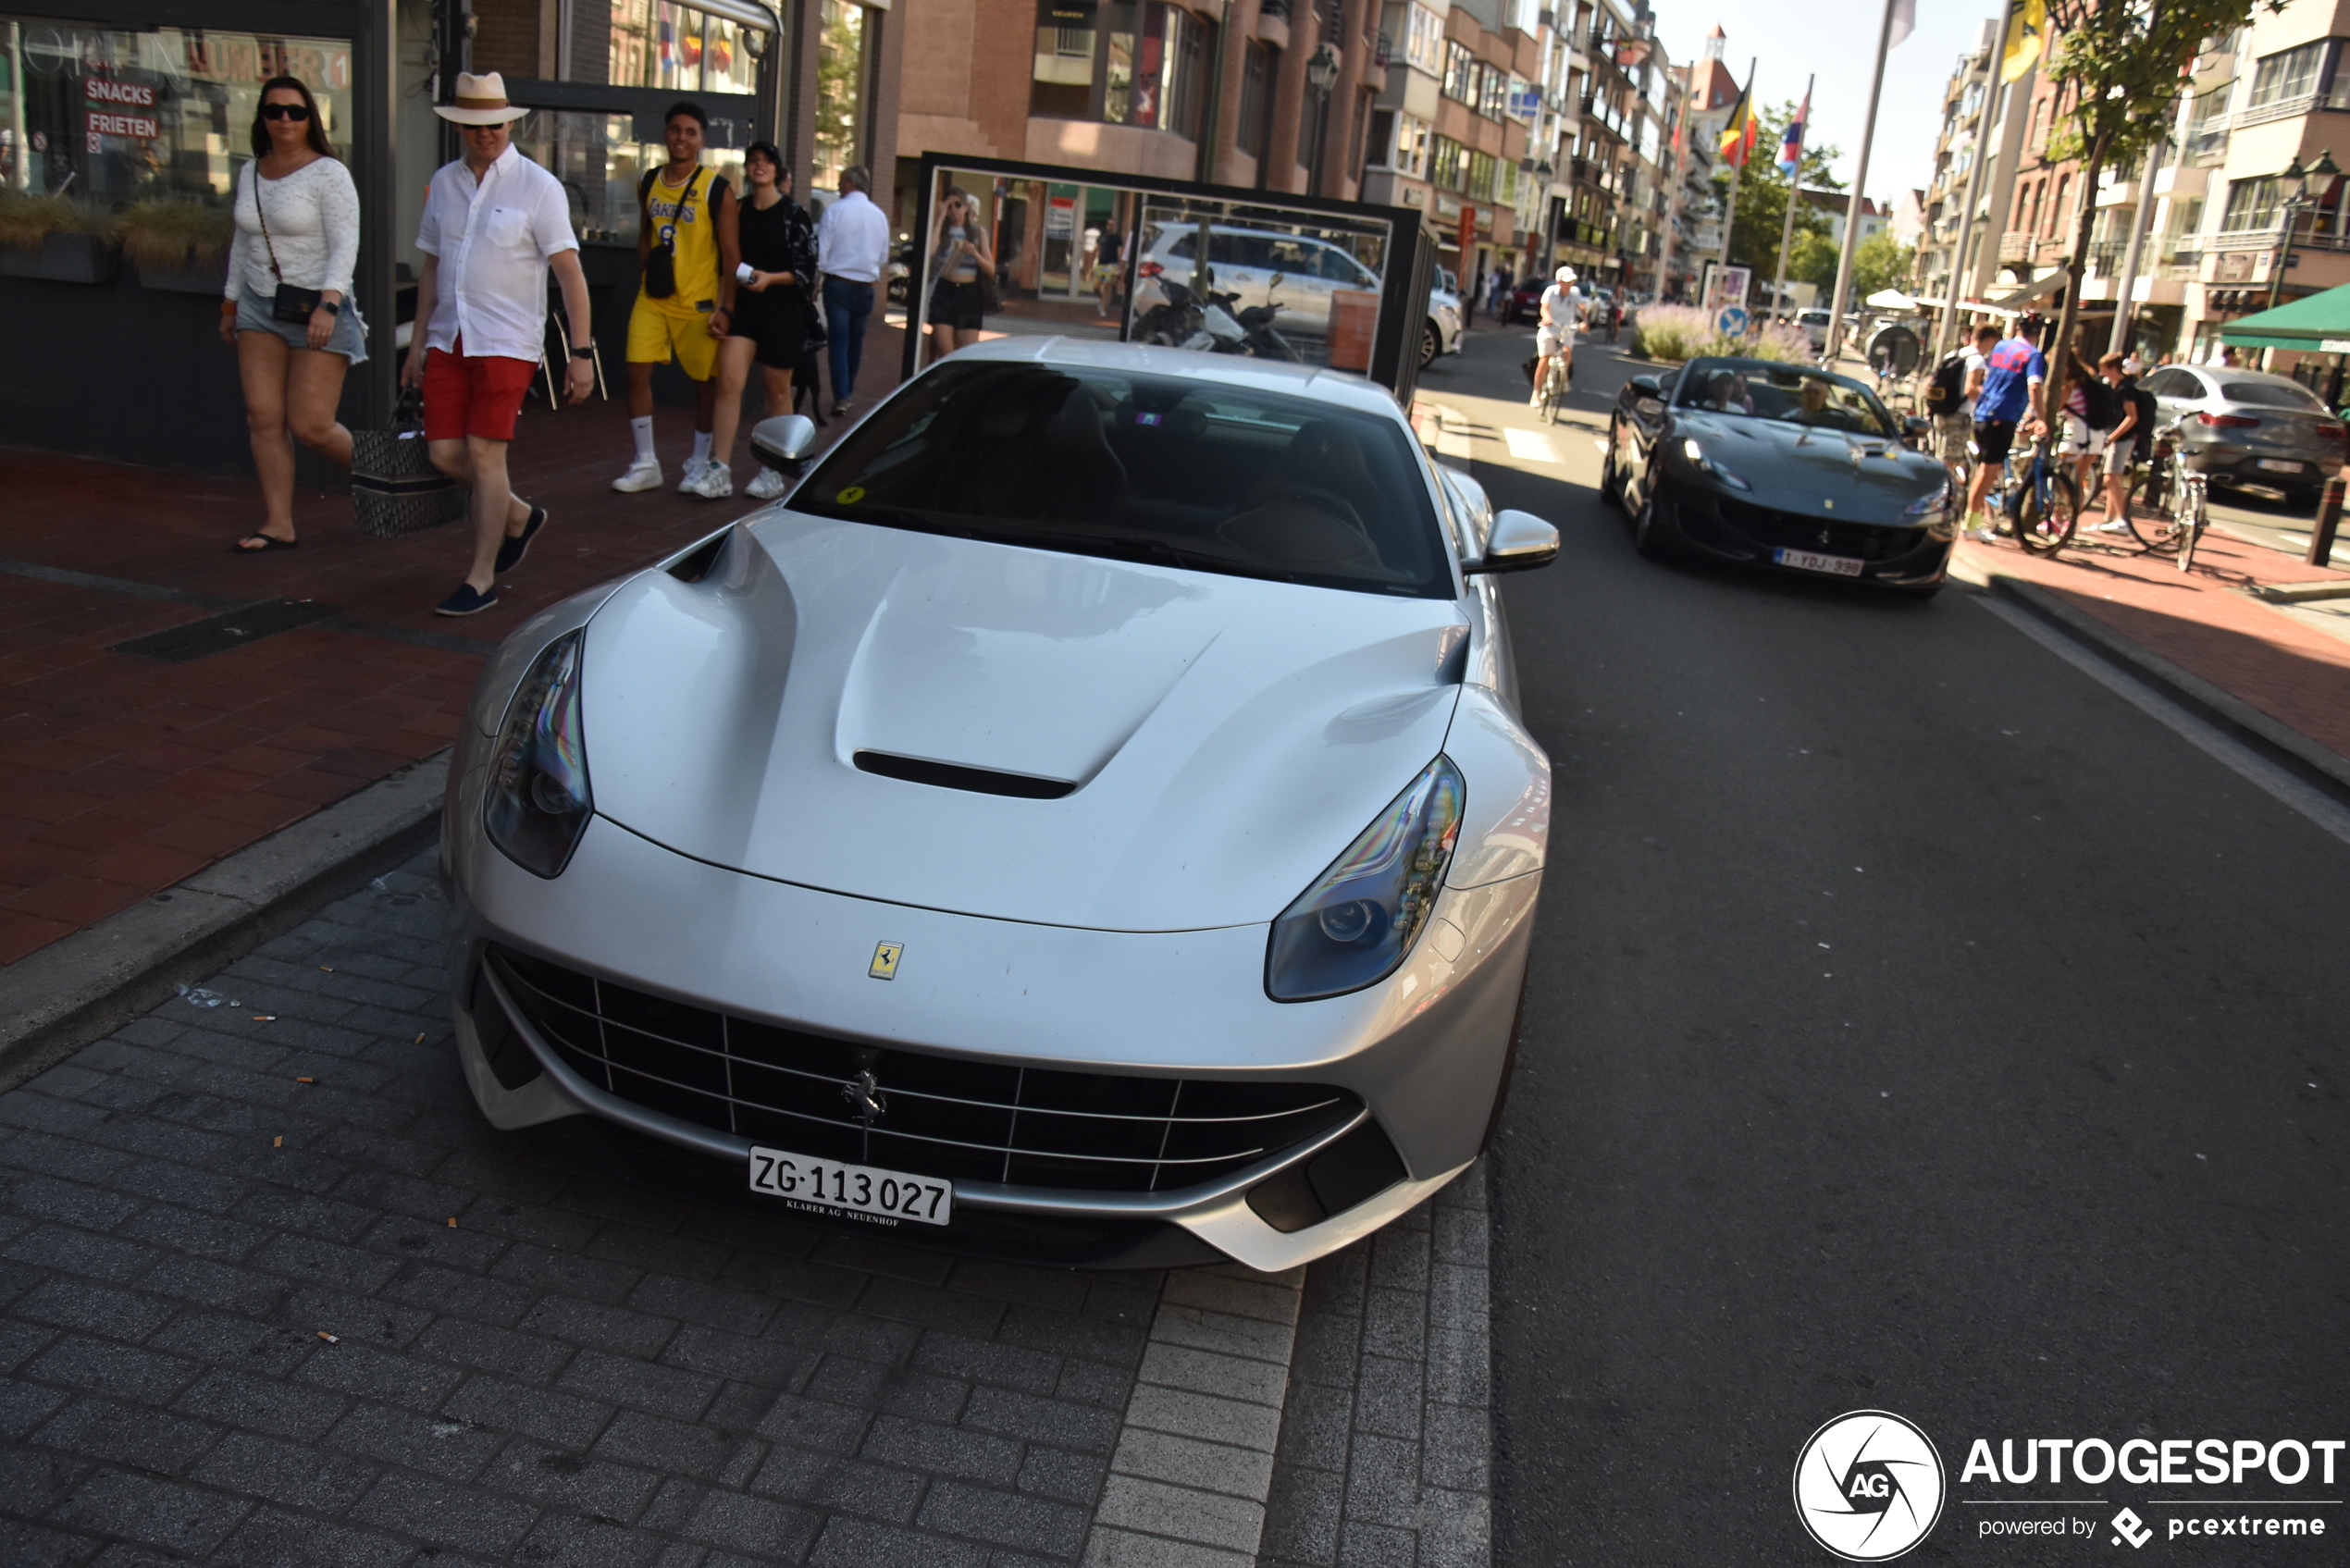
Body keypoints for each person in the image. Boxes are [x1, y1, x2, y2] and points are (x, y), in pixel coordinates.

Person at [402, 72, 595, 616]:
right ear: (460, 126)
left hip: (507, 341)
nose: (484, 133)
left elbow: (570, 274)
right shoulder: (443, 183)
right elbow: (430, 268)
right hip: (449, 336)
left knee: (486, 454)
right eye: (473, 124)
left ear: (509, 121)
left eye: (493, 123)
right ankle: (516, 515)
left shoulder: (539, 187)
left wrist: (580, 355)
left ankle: (480, 577)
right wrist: (416, 345)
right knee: (443, 453)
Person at [221, 75, 365, 554]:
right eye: (275, 110)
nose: (285, 119)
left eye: (296, 111)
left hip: (314, 307)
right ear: (261, 117)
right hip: (258, 305)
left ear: (310, 120)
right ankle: (278, 523)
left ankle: (386, 474)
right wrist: (230, 300)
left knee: (311, 425)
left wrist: (329, 303)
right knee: (263, 418)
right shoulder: (250, 171)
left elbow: (346, 244)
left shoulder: (329, 173)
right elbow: (243, 242)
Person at [612, 102, 737, 498]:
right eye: (675, 130)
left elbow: (732, 256)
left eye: (690, 132)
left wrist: (725, 306)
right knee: (635, 371)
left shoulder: (717, 189)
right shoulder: (649, 181)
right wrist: (648, 266)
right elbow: (646, 231)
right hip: (654, 298)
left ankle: (699, 461)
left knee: (704, 386)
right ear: (665, 134)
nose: (681, 138)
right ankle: (646, 461)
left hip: (698, 303)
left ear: (702, 139)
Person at [708, 141, 817, 502]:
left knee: (776, 391)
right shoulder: (737, 211)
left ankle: (774, 470)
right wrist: (724, 306)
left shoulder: (794, 214)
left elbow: (806, 271)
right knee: (728, 382)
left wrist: (771, 278)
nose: (759, 166)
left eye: (766, 161)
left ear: (777, 170)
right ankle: (718, 469)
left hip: (782, 311)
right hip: (746, 310)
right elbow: (726, 261)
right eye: (753, 161)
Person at [1963, 315, 2047, 538]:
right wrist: (2041, 418)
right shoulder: (2034, 355)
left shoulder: (2001, 346)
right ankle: (1971, 524)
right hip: (2003, 415)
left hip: (1982, 412)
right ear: (2037, 333)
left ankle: (1976, 519)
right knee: (1987, 471)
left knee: (1984, 469)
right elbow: (2035, 387)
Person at [816, 164, 890, 416]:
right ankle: (848, 388)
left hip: (837, 283)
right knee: (856, 340)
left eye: (840, 182)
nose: (838, 187)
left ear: (849, 183)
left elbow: (822, 253)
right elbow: (882, 257)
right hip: (866, 285)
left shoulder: (834, 211)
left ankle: (842, 394)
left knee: (838, 339)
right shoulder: (879, 216)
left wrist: (816, 282)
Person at [925, 184, 995, 363]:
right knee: (946, 355)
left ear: (965, 207)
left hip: (969, 293)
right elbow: (931, 251)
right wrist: (940, 216)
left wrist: (974, 253)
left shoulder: (977, 233)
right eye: (949, 206)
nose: (954, 210)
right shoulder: (942, 232)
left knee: (966, 356)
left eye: (957, 205)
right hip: (945, 291)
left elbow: (990, 269)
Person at [2091, 352, 2154, 534]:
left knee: (2112, 476)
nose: (2102, 375)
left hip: (2123, 438)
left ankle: (2122, 518)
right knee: (2111, 478)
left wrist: (2113, 436)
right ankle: (2109, 518)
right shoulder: (2118, 387)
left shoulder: (2126, 390)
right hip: (2118, 437)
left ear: (2112, 369)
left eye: (2104, 370)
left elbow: (2131, 417)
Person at [1934, 323, 2000, 485]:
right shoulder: (1977, 360)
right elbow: (1970, 389)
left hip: (1943, 411)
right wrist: (1990, 405)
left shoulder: (1955, 353)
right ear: (1989, 339)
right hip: (1959, 414)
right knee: (1950, 461)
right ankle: (1939, 495)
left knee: (1943, 455)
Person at [1530, 265, 1582, 406]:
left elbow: (1581, 307)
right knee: (1545, 359)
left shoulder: (1575, 293)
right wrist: (1546, 317)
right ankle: (1536, 392)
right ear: (1559, 281)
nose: (1569, 284)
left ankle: (1564, 379)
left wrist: (1585, 321)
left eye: (1571, 281)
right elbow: (1544, 308)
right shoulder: (1550, 291)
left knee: (1566, 352)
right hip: (1550, 328)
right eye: (1566, 281)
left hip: (1566, 329)